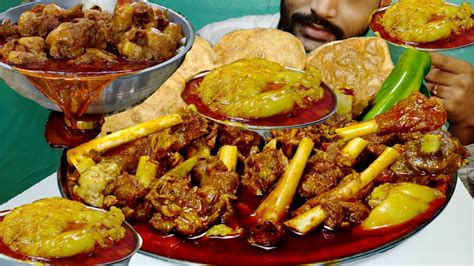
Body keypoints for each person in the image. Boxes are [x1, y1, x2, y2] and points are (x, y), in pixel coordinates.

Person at [198, 0, 474, 145]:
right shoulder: (213, 42)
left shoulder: (410, 85)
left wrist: (466, 125)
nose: (322, 8)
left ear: (382, 4)